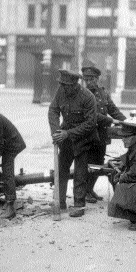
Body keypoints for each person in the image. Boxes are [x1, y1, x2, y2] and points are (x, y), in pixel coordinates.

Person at [48, 69, 99, 217]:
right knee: (61, 169)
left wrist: (68, 133)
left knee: (80, 172)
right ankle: (60, 202)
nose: (63, 88)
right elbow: (53, 110)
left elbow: (90, 123)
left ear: (75, 85)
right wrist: (56, 131)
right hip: (65, 138)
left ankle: (79, 205)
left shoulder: (87, 97)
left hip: (83, 138)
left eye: (66, 85)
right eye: (61, 85)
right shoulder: (61, 91)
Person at [81, 59, 126, 203]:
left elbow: (112, 109)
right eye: (86, 79)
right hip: (88, 135)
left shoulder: (103, 93)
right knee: (87, 164)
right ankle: (84, 192)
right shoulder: (82, 94)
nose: (88, 82)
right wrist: (112, 121)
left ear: (97, 79)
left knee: (99, 162)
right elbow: (93, 115)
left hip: (101, 135)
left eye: (91, 79)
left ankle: (90, 189)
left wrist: (126, 122)